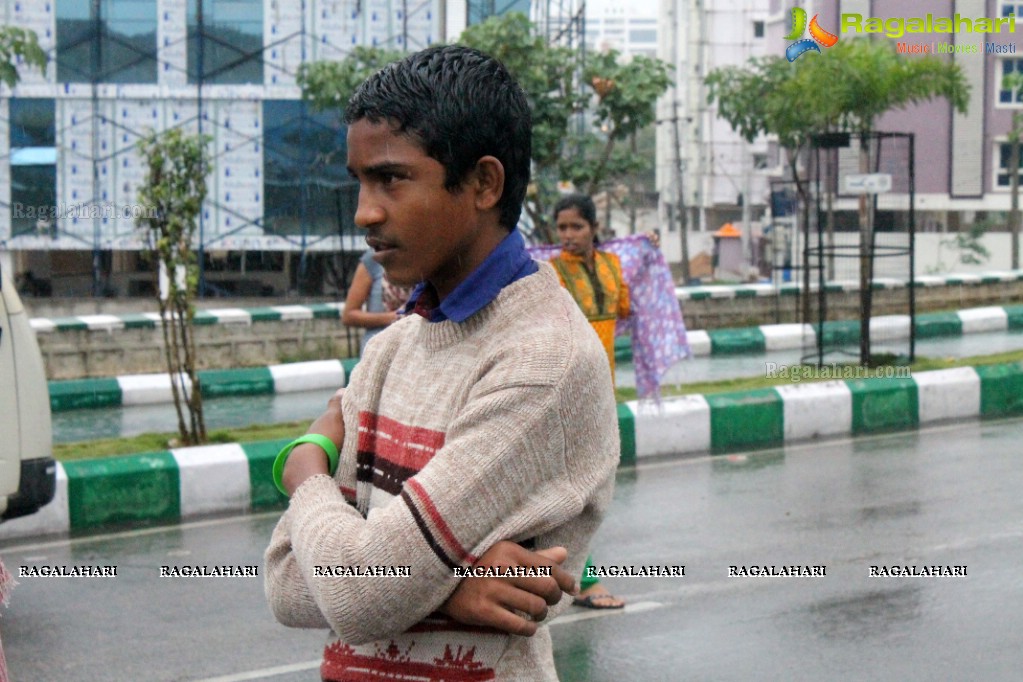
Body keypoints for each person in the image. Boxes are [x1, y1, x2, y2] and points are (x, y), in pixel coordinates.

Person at [264, 45, 619, 681]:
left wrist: (305, 470)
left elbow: (360, 592)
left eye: (392, 179)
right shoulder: (396, 346)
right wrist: (449, 592)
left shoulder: (541, 361)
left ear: (484, 183)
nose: (364, 212)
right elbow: (288, 584)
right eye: (361, 181)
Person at [549, 193, 645, 610]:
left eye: (576, 227)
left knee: (592, 485)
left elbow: (624, 306)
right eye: (562, 228)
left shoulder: (612, 266)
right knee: (578, 486)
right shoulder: (550, 273)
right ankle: (584, 579)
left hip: (604, 384)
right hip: (568, 386)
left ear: (593, 228)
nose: (568, 236)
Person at [341, 249, 412, 355]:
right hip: (378, 349)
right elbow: (349, 315)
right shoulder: (374, 258)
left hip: (416, 349)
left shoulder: (425, 257)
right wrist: (395, 317)